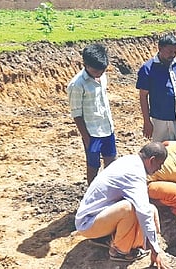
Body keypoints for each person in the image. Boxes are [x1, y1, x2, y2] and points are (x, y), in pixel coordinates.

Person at [75, 142, 170, 268]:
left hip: (98, 217)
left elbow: (147, 209)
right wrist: (155, 250)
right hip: (87, 224)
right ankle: (120, 252)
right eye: (160, 164)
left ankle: (107, 238)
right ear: (152, 160)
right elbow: (143, 212)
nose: (160, 168)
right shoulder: (135, 174)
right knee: (128, 208)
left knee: (150, 208)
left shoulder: (130, 161)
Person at [67, 43, 116, 185]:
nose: (99, 73)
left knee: (111, 160)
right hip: (92, 133)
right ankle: (92, 193)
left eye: (102, 70)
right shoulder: (77, 85)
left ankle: (110, 190)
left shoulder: (102, 76)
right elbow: (76, 114)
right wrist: (87, 138)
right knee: (93, 165)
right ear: (86, 65)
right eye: (96, 71)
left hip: (107, 128)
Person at [137, 33, 176, 142]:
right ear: (160, 49)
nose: (172, 55)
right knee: (162, 151)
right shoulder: (148, 69)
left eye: (175, 52)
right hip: (161, 121)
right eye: (169, 52)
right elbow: (143, 96)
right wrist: (146, 121)